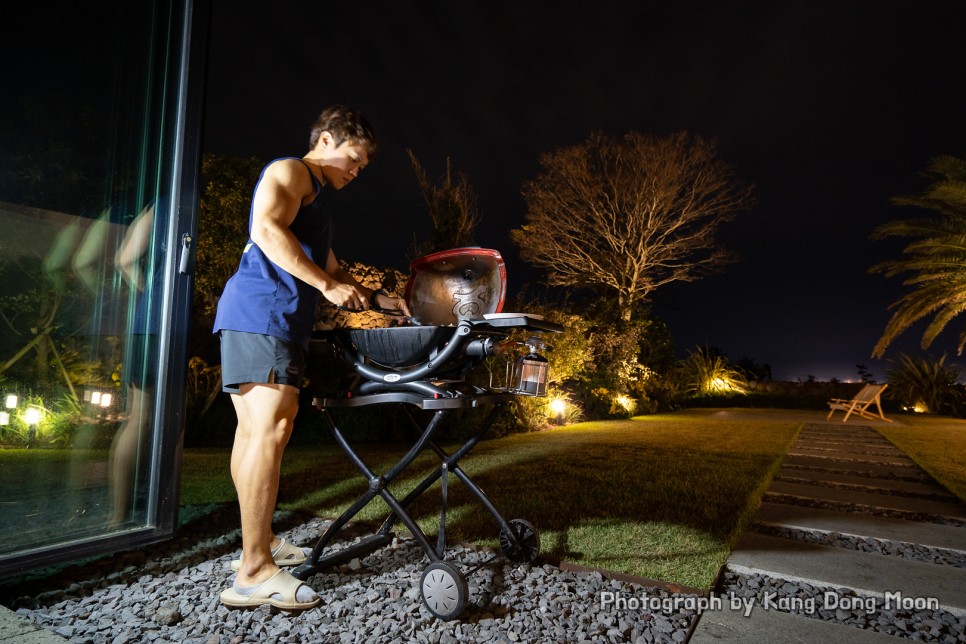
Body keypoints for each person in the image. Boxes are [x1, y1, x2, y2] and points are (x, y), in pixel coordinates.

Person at [213, 105, 409, 611]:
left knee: (254, 432)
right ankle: (255, 572)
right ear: (325, 140)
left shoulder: (316, 202)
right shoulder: (290, 171)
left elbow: (332, 268)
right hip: (262, 314)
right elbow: (265, 230)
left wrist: (380, 298)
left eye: (363, 165)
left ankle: (256, 545)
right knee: (269, 431)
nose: (357, 170)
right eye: (354, 157)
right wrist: (326, 285)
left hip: (265, 320)